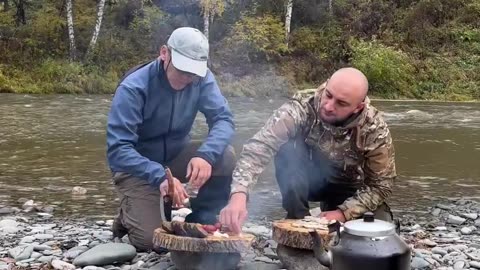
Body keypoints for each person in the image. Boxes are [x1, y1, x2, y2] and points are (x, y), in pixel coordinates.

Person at [220, 67, 396, 233]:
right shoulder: (301, 106)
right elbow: (260, 146)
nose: (328, 106)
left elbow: (382, 184)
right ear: (326, 84)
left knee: (380, 229)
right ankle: (297, 218)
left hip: (349, 190)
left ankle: (331, 211)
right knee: (287, 149)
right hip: (309, 181)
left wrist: (344, 213)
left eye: (341, 103)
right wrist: (239, 193)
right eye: (328, 95)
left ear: (358, 107)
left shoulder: (374, 128)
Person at [106, 27, 236, 252]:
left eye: (193, 73)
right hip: (137, 167)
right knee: (153, 241)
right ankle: (127, 214)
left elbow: (223, 119)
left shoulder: (201, 79)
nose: (187, 78)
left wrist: (205, 155)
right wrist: (159, 176)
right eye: (182, 70)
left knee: (224, 155)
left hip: (175, 155)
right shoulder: (133, 88)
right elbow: (118, 150)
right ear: (164, 53)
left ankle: (200, 216)